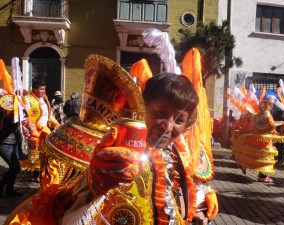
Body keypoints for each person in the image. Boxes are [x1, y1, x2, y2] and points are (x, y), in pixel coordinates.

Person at [5, 55, 218, 225]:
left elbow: (179, 198)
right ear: (143, 109)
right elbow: (59, 207)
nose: (168, 126)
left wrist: (201, 201)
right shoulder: (106, 146)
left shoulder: (174, 155)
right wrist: (93, 184)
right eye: (161, 112)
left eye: (179, 119)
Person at [21, 79, 60, 182]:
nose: (43, 91)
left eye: (44, 89)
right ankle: (36, 174)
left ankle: (43, 172)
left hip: (45, 130)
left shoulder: (44, 99)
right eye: (41, 89)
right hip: (34, 132)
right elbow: (24, 118)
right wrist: (32, 128)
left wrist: (56, 123)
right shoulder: (27, 100)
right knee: (36, 153)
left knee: (47, 152)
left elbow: (48, 115)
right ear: (34, 89)